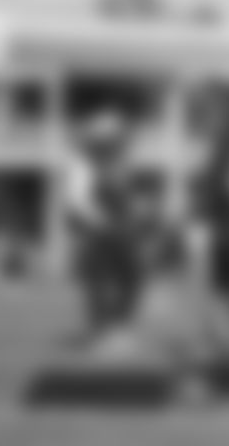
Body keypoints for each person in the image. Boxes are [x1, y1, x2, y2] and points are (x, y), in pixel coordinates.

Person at [61, 107, 158, 350]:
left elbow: (129, 198)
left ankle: (116, 326)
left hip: (119, 232)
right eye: (112, 140)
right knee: (99, 282)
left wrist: (137, 212)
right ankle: (103, 329)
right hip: (99, 233)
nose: (117, 144)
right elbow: (78, 200)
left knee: (132, 276)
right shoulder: (84, 165)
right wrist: (102, 223)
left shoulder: (118, 164)